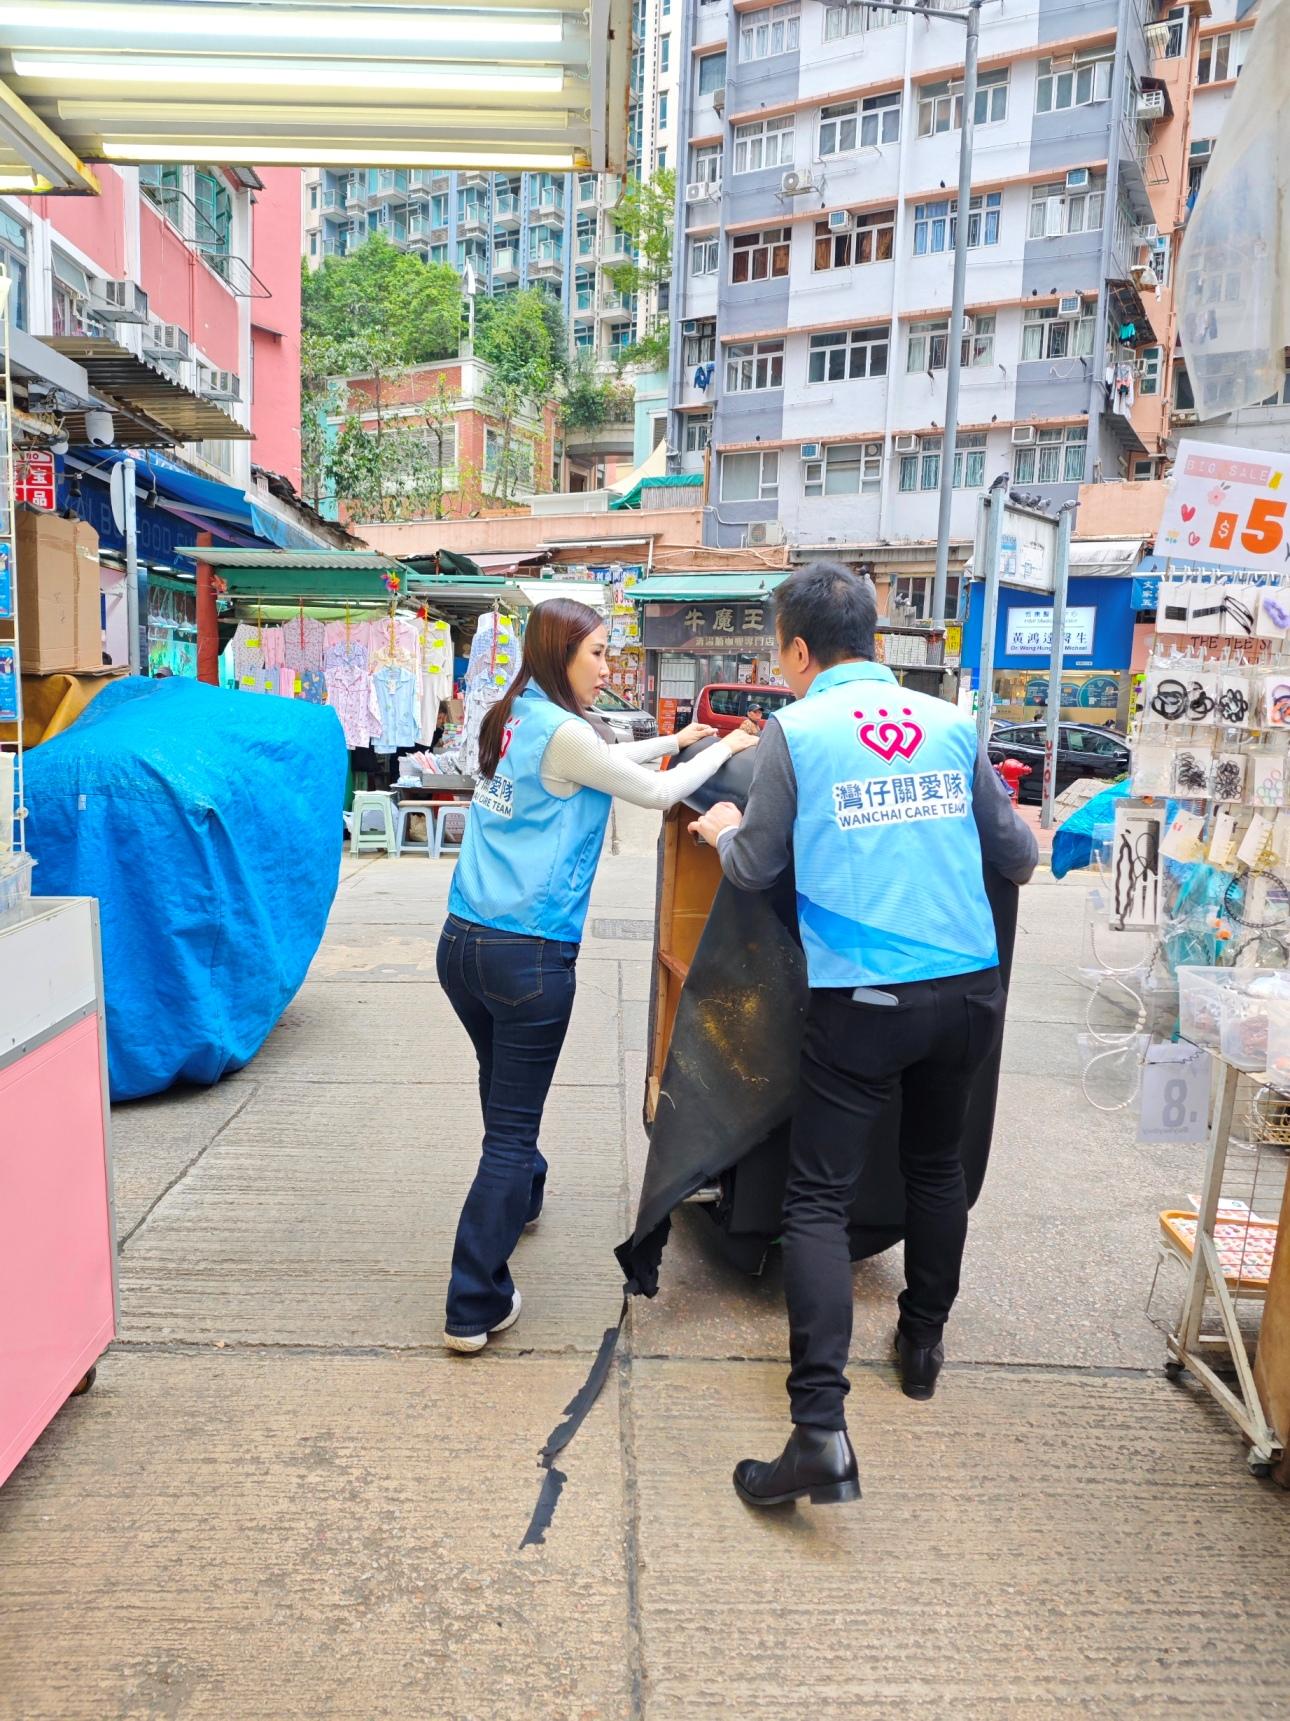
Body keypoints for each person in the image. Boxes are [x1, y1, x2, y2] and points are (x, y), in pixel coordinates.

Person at [689, 563, 1037, 1509]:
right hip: (967, 992)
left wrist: (723, 827)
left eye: (780, 653)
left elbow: (756, 866)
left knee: (817, 1199)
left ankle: (818, 1431)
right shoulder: (952, 724)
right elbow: (1018, 856)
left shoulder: (797, 733)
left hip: (863, 1001)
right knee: (936, 1166)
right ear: (874, 639)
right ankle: (921, 1345)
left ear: (800, 650)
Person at [438, 598, 758, 1353]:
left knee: (500, 1090)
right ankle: (472, 1302)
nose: (607, 666)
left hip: (463, 944)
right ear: (562, 654)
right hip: (528, 955)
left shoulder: (514, 713)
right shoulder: (566, 732)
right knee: (509, 1131)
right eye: (598, 653)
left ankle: (523, 1194)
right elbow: (654, 792)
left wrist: (675, 739)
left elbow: (601, 760)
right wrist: (727, 747)